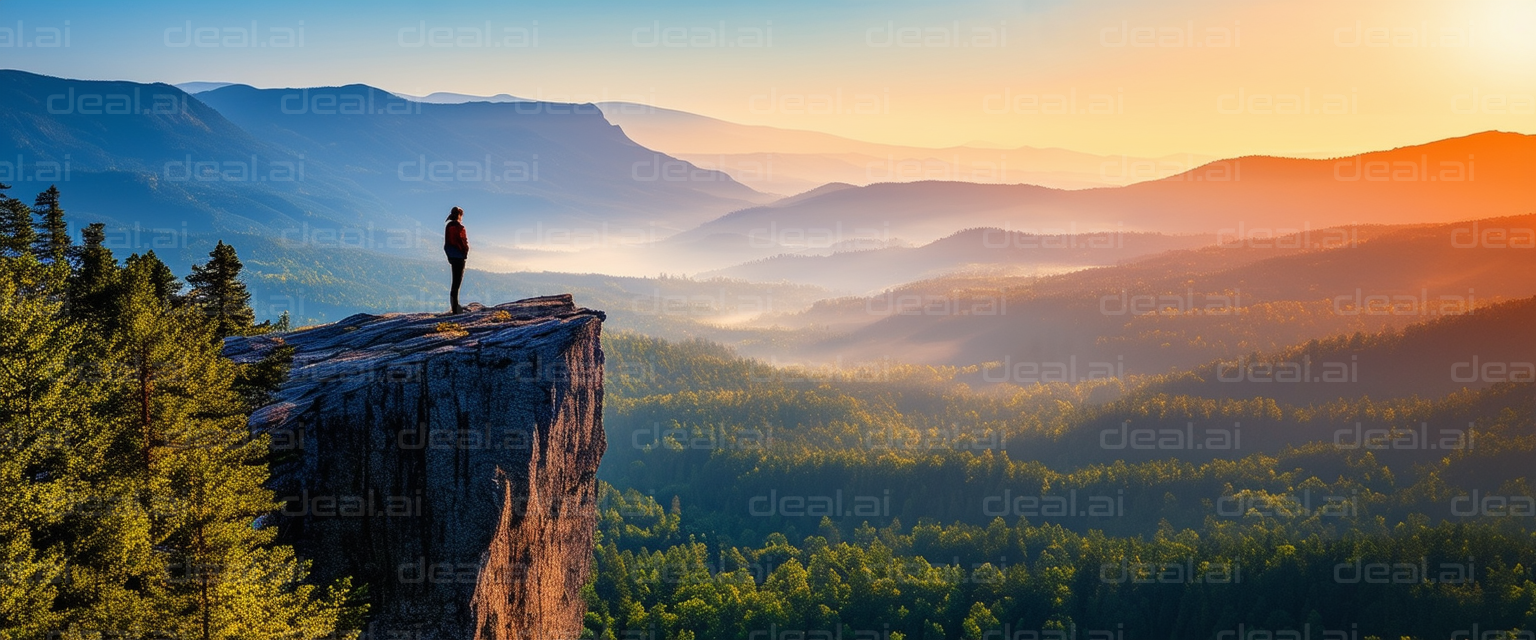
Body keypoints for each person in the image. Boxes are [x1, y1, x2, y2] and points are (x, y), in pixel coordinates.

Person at [443, 206, 469, 314]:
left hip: (452, 256)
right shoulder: (459, 227)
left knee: (454, 283)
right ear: (459, 215)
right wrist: (465, 252)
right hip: (459, 257)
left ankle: (454, 306)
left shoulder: (448, 226)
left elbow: (447, 244)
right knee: (457, 283)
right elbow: (463, 242)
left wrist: (449, 255)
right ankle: (456, 308)